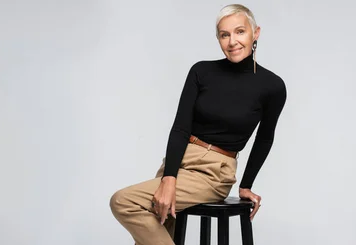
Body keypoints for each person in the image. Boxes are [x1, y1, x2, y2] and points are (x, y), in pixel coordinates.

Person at [109, 4, 287, 245]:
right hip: (179, 160)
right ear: (218, 39)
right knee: (157, 222)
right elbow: (181, 127)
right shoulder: (202, 71)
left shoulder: (272, 86)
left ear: (255, 33)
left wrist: (246, 185)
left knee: (123, 201)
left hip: (214, 171)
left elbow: (264, 138)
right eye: (224, 35)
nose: (232, 41)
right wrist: (169, 177)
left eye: (239, 32)